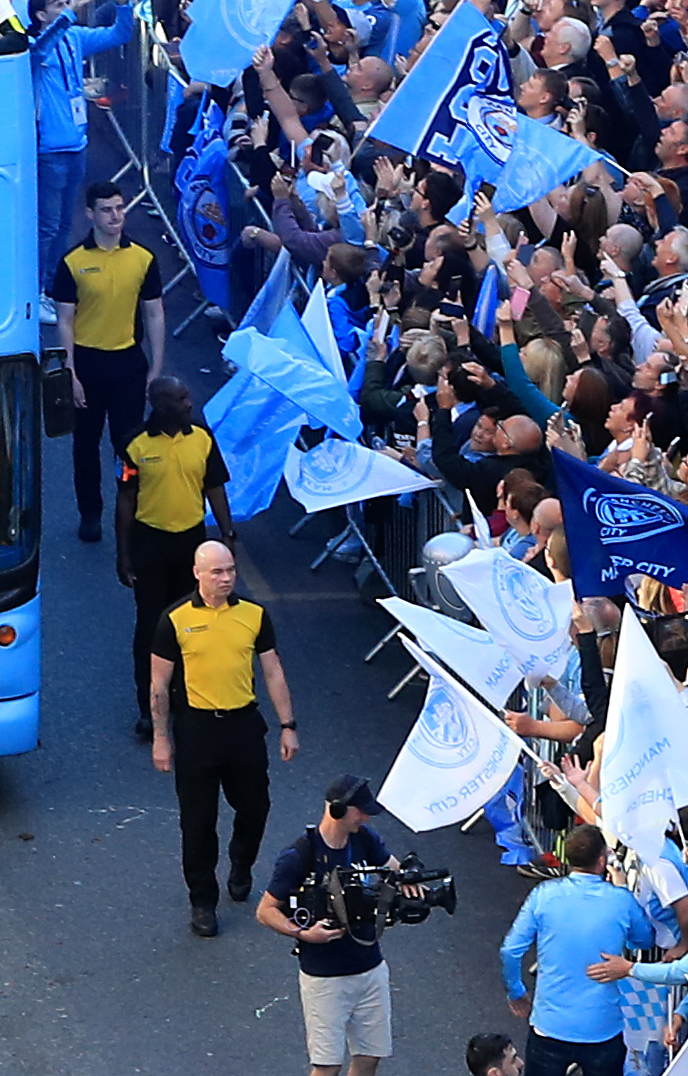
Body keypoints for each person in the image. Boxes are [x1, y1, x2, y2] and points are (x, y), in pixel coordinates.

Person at [148, 538, 298, 936]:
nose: (226, 578)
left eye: (230, 570)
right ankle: (202, 900)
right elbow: (159, 685)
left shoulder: (253, 615)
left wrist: (288, 725)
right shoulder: (174, 619)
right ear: (197, 573)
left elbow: (272, 671)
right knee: (198, 822)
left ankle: (241, 863)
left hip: (243, 726)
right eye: (217, 571)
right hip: (197, 729)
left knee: (255, 807)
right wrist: (161, 739)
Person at [259, 777, 402, 1076]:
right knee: (327, 1067)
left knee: (369, 1057)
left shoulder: (365, 839)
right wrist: (302, 933)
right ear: (337, 809)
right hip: (325, 978)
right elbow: (266, 911)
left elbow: (394, 868)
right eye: (359, 811)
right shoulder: (299, 855)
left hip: (370, 968)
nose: (364, 818)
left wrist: (408, 881)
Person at [48, 184, 163, 542]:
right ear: (90, 214)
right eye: (107, 210)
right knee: (85, 445)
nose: (115, 217)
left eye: (120, 208)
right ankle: (90, 513)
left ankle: (132, 511)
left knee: (129, 446)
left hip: (128, 363)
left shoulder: (143, 259)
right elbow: (64, 322)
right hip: (88, 362)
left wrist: (156, 367)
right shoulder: (73, 263)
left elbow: (154, 313)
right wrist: (72, 374)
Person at [116, 374, 226, 742]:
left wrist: (228, 535)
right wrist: (123, 553)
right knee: (150, 628)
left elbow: (214, 487)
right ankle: (149, 708)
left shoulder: (202, 438)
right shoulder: (134, 445)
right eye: (180, 399)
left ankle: (186, 701)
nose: (188, 404)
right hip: (151, 545)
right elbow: (126, 499)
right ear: (160, 406)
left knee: (192, 625)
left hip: (190, 544)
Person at [496, 827, 654, 1076]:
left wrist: (516, 992)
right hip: (602, 1028)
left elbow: (510, 951)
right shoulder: (621, 901)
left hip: (550, 1026)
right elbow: (644, 940)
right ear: (602, 860)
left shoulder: (543, 895)